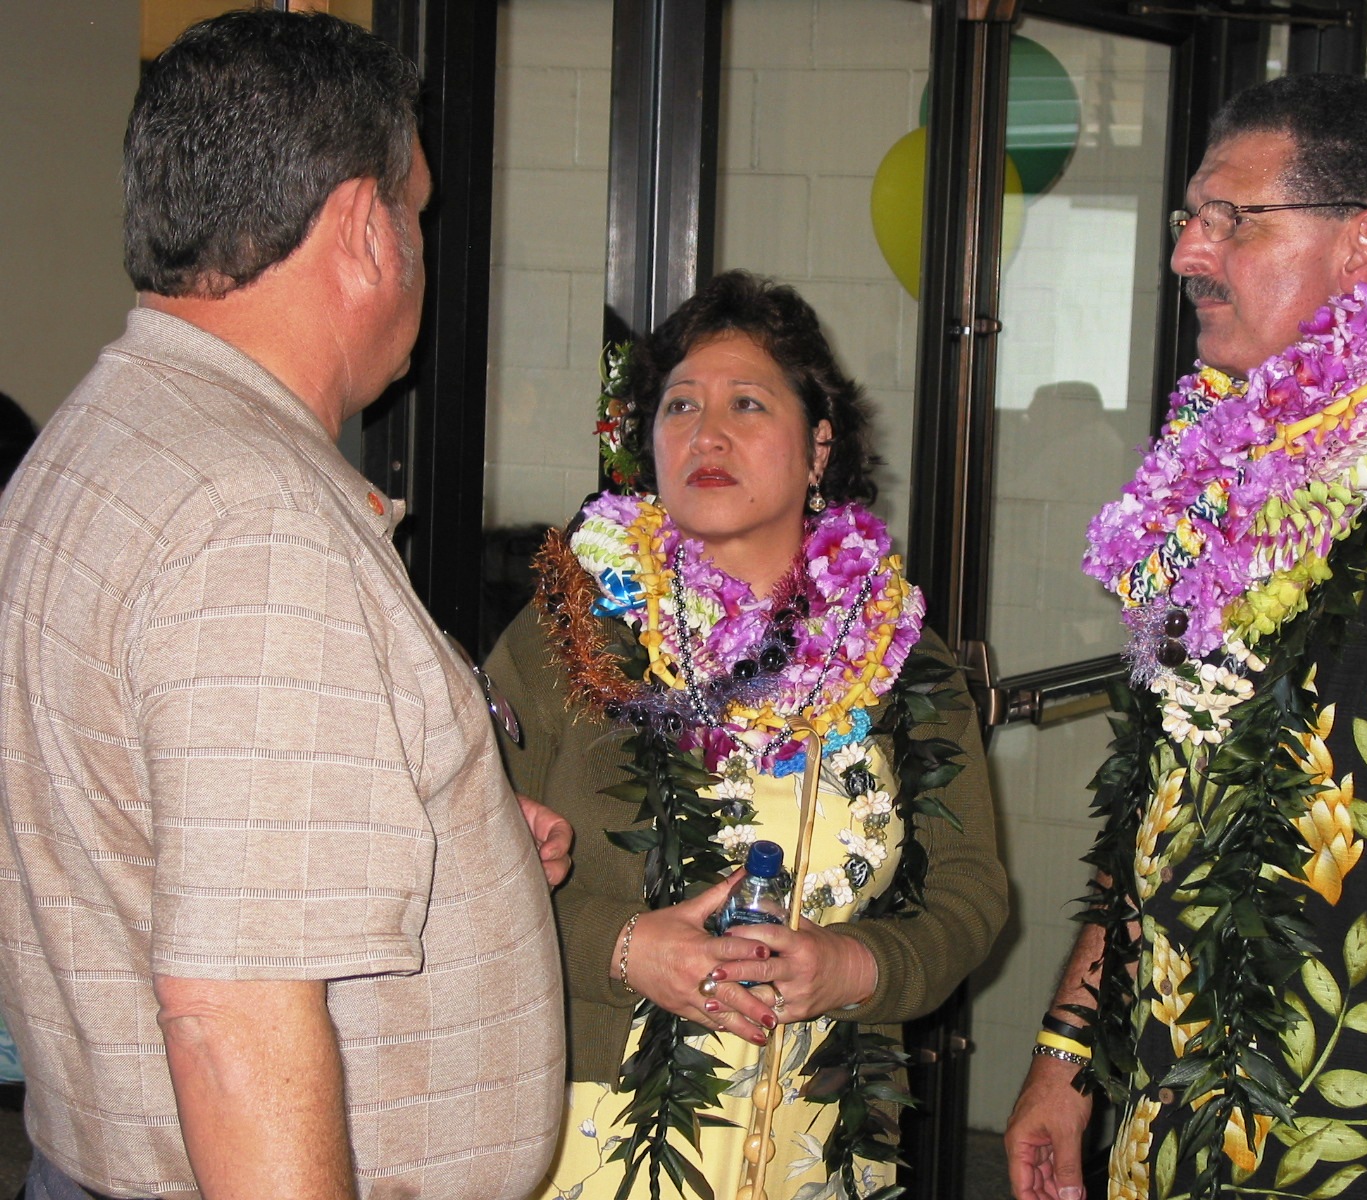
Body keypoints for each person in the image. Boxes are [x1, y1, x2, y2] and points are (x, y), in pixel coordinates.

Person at [0, 12, 569, 1199]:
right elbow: (231, 1021)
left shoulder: (98, 439)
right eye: (415, 208)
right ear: (366, 227)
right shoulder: (253, 522)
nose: (422, 241)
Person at [1005, 74, 1367, 1200]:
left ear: (1363, 247)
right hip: (1173, 1133)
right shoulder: (1234, 477)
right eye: (1191, 217)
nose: (1188, 252)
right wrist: (1068, 1053)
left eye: (1232, 219)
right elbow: (1163, 793)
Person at [484, 270, 1008, 1199]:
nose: (706, 433)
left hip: (821, 1150)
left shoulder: (900, 659)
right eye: (678, 405)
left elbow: (971, 897)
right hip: (585, 1150)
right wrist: (621, 948)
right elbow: (453, 873)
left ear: (818, 447)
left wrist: (858, 966)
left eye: (747, 403)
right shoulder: (571, 631)